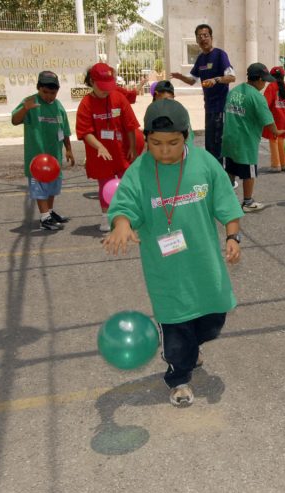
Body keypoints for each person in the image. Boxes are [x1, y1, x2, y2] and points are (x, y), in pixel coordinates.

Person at [103, 99, 243, 407]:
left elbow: (226, 203)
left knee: (213, 321)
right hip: (166, 270)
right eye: (156, 143)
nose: (164, 150)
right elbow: (124, 204)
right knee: (177, 326)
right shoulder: (140, 170)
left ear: (186, 136)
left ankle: (191, 348)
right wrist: (122, 224)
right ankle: (179, 377)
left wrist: (233, 237)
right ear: (146, 139)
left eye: (173, 143)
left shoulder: (205, 164)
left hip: (204, 264)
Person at [76, 62, 139, 232]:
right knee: (105, 186)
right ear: (91, 81)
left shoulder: (118, 98)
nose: (106, 90)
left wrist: (132, 147)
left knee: (126, 185)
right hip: (101, 156)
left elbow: (130, 125)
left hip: (121, 152)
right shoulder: (86, 103)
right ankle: (105, 217)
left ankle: (127, 216)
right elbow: (84, 131)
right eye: (102, 86)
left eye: (108, 86)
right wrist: (99, 147)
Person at [11, 71, 75, 231]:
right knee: (39, 187)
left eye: (52, 93)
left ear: (57, 91)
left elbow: (65, 130)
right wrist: (24, 109)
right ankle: (44, 218)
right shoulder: (30, 102)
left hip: (54, 156)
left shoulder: (59, 106)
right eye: (45, 92)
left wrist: (68, 149)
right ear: (38, 88)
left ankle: (49, 212)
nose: (48, 96)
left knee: (52, 187)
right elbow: (14, 120)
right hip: (37, 158)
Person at [170, 23, 235, 169]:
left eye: (206, 35)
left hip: (221, 106)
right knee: (210, 143)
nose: (203, 39)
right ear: (197, 40)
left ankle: (221, 177)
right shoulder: (200, 59)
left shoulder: (220, 55)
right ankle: (212, 173)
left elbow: (231, 77)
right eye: (199, 36)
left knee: (218, 143)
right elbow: (192, 80)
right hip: (209, 107)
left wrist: (216, 79)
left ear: (211, 37)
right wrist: (180, 77)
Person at [222, 62, 283, 212]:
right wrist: (277, 131)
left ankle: (228, 199)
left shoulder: (234, 91)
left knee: (230, 168)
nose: (265, 84)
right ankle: (248, 202)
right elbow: (268, 120)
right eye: (265, 81)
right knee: (249, 172)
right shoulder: (256, 97)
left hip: (229, 138)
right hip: (245, 142)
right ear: (259, 80)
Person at [261, 66, 285, 172]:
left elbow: (265, 104)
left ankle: (276, 165)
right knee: (281, 140)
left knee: (273, 141)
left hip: (275, 118)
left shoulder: (271, 87)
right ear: (283, 76)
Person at [152, 80, 195, 147]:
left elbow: (188, 139)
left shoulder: (181, 111)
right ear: (156, 95)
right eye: (165, 99)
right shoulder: (152, 112)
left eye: (170, 100)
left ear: (174, 96)